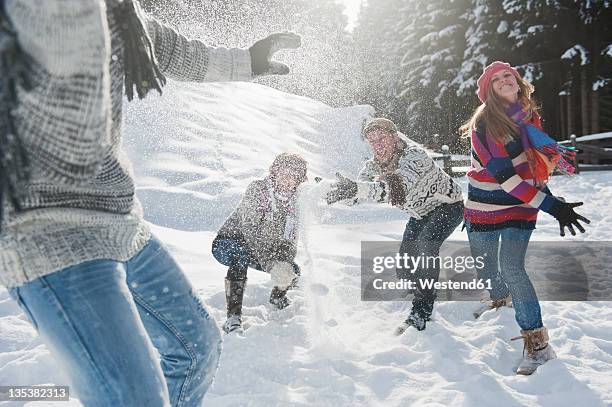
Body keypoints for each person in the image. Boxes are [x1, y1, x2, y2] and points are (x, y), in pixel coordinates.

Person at [0, 1, 300, 405]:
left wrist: (247, 60)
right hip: (48, 236)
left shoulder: (118, 9)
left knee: (197, 350)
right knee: (135, 397)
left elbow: (175, 52)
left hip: (119, 221)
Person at [461, 61, 590, 375]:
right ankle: (498, 299)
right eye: (496, 79)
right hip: (484, 204)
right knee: (486, 263)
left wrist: (550, 199)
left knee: (513, 268)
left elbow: (531, 165)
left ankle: (538, 346)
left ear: (518, 83)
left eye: (509, 75)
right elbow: (507, 180)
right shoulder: (484, 125)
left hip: (522, 203)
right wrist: (552, 206)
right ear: (489, 91)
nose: (504, 79)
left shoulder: (528, 117)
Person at [325, 118, 464, 333]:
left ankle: (422, 311)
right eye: (372, 141)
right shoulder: (372, 166)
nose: (377, 145)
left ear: (395, 137)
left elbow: (393, 189)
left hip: (448, 206)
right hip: (420, 214)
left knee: (427, 246)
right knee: (405, 264)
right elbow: (359, 193)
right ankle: (415, 287)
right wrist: (335, 190)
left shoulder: (414, 156)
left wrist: (358, 189)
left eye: (381, 138)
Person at [212, 153, 307, 334]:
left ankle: (277, 299)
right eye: (284, 172)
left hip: (261, 251)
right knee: (240, 256)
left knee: (292, 270)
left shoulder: (295, 203)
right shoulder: (258, 189)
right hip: (228, 243)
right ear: (274, 172)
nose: (287, 179)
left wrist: (283, 266)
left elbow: (289, 242)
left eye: (294, 175)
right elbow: (250, 230)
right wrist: (271, 265)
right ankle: (233, 317)